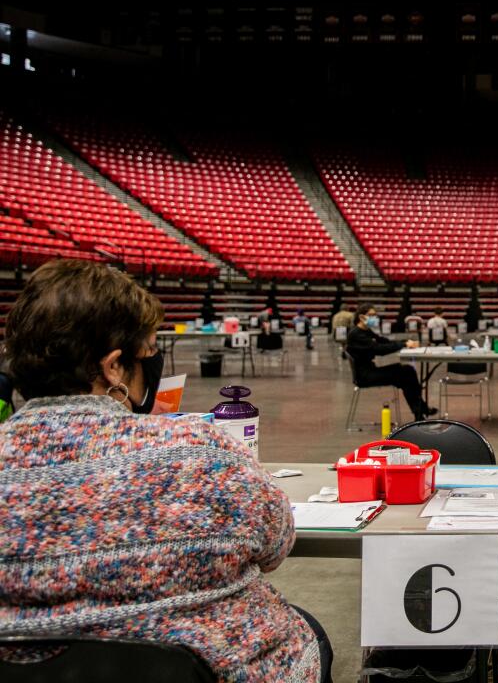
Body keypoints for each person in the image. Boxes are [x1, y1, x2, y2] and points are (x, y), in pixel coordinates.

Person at [0, 259, 332, 682]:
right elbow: (276, 544)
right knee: (311, 632)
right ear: (113, 367)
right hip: (215, 666)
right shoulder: (203, 451)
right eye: (150, 351)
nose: (153, 364)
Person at [347, 303, 438, 419]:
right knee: (406, 373)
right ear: (361, 317)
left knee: (407, 373)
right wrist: (404, 344)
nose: (375, 318)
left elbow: (384, 341)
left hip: (370, 370)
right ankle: (420, 411)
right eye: (371, 315)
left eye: (375, 315)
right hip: (365, 375)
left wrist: (406, 342)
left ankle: (420, 411)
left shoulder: (365, 331)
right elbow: (379, 349)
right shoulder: (356, 334)